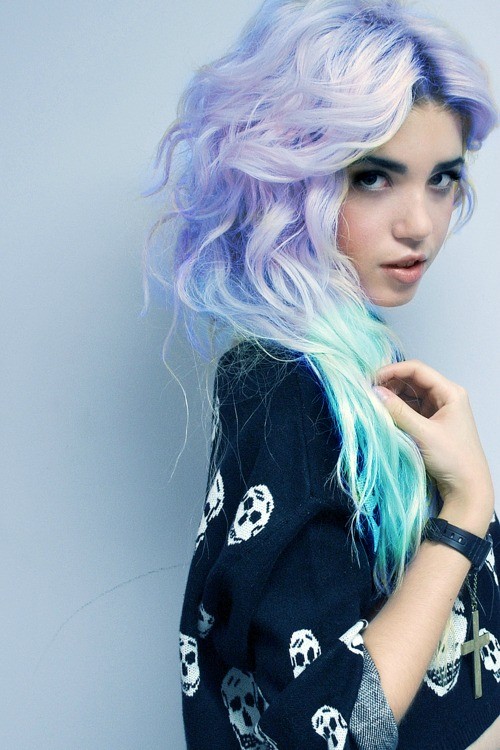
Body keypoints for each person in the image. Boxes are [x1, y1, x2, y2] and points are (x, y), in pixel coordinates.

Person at [144, 1, 500, 747]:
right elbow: (326, 725)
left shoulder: (358, 364)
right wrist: (466, 509)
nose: (420, 224)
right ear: (291, 182)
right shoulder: (281, 385)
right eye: (374, 178)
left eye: (442, 179)